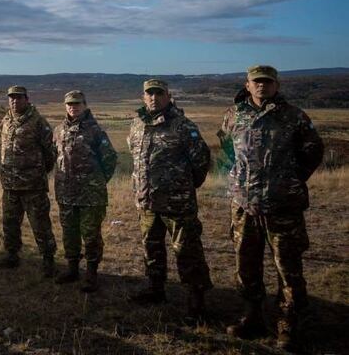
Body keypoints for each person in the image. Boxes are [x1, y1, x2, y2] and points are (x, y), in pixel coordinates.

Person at [219, 65, 324, 351]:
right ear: (247, 84)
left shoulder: (293, 116)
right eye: (257, 82)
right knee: (246, 265)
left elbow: (313, 151)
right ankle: (252, 317)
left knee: (288, 267)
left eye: (268, 82)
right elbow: (227, 149)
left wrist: (289, 180)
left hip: (283, 206)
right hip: (243, 205)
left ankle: (287, 324)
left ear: (276, 85)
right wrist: (239, 181)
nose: (262, 86)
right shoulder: (233, 114)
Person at [127, 78, 212, 325]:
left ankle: (196, 301)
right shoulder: (136, 124)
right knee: (151, 248)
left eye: (159, 93)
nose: (154, 97)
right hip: (146, 201)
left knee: (187, 252)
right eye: (149, 94)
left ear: (168, 95)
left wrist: (182, 188)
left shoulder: (183, 126)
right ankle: (155, 289)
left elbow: (201, 161)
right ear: (143, 97)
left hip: (177, 204)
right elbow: (135, 156)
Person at [52, 90, 117, 292]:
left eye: (77, 103)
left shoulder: (95, 131)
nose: (73, 107)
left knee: (90, 235)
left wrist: (96, 181)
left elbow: (109, 159)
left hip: (90, 195)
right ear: (65, 106)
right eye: (70, 104)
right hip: (66, 193)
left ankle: (91, 273)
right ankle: (72, 268)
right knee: (69, 233)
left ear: (85, 105)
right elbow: (53, 156)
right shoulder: (58, 130)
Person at [0, 85, 57, 276]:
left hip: (32, 185)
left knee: (40, 224)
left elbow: (50, 153)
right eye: (11, 98)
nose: (14, 101)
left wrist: (38, 172)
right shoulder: (7, 120)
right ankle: (12, 254)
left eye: (18, 98)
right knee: (10, 222)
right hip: (9, 184)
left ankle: (48, 259)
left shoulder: (38, 122)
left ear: (27, 99)